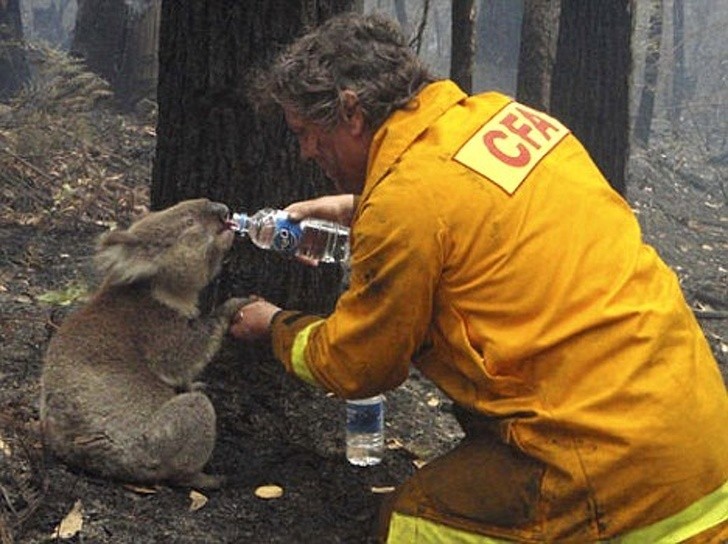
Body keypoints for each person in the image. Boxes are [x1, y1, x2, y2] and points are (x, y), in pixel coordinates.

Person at [230, 12, 728, 544]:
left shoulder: (407, 204)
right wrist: (359, 209)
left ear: (351, 112)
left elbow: (358, 365)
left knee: (412, 522)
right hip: (701, 441)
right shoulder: (504, 118)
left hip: (609, 469)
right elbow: (469, 213)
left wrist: (274, 326)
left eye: (307, 133)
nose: (306, 152)